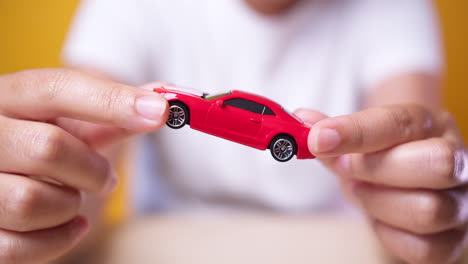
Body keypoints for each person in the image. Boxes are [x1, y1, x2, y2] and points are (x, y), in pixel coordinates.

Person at [0, 0, 466, 263]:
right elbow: (76, 161)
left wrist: (426, 200)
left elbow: (405, 163)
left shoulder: (391, 9)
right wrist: (39, 185)